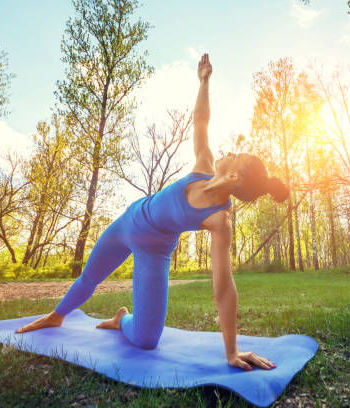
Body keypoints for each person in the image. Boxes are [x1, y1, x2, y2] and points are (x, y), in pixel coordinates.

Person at [16, 54, 289, 371]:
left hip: (154, 251)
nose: (229, 152)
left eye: (236, 156)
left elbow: (224, 287)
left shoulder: (220, 220)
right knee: (90, 276)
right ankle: (56, 316)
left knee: (147, 340)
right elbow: (200, 121)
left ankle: (122, 319)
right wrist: (203, 81)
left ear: (234, 179)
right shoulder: (203, 165)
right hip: (129, 222)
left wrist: (232, 351)